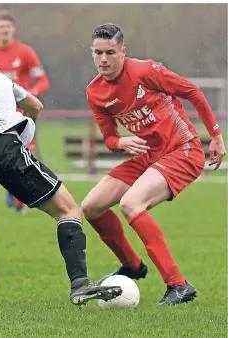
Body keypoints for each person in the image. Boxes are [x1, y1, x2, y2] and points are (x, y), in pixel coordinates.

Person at [0, 43, 122, 305]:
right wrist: (26, 126)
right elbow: (35, 105)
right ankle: (79, 284)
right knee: (68, 210)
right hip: (5, 146)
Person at [82, 23, 226, 305]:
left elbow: (193, 92)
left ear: (123, 52)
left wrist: (217, 136)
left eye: (110, 52)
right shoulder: (94, 92)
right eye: (98, 52)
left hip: (182, 150)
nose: (103, 59)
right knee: (91, 206)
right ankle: (132, 265)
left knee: (130, 204)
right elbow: (110, 137)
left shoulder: (145, 71)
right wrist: (120, 143)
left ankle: (179, 285)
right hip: (147, 156)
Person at [0, 10, 50, 214]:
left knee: (26, 152)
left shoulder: (25, 52)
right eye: (1, 27)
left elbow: (43, 80)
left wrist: (30, 95)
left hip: (21, 113)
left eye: (8, 27)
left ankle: (19, 203)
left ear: (13, 29)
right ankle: (10, 191)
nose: (5, 31)